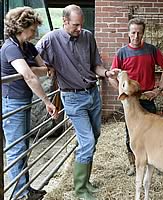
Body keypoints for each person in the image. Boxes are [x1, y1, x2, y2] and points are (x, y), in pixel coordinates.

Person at [35, 4, 120, 200]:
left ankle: (86, 182)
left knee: (94, 137)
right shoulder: (51, 39)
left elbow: (96, 65)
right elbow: (34, 58)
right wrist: (47, 66)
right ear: (64, 22)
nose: (79, 29)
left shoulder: (88, 36)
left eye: (81, 24)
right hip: (72, 98)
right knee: (87, 141)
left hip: (92, 94)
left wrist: (107, 74)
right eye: (75, 25)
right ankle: (80, 189)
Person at [1, 7, 58, 200]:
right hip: (12, 104)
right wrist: (47, 101)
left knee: (23, 146)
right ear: (20, 27)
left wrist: (35, 70)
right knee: (16, 149)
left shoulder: (27, 46)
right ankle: (19, 195)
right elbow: (29, 75)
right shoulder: (10, 47)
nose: (35, 33)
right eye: (32, 29)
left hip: (24, 101)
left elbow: (45, 69)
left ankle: (25, 189)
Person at [109, 18, 163, 176]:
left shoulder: (151, 50)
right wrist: (123, 93)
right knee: (131, 134)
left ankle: (157, 164)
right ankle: (133, 164)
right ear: (128, 33)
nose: (136, 36)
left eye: (139, 33)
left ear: (143, 33)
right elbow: (111, 76)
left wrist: (158, 89)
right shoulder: (122, 53)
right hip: (130, 102)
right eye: (133, 33)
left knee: (154, 133)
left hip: (147, 98)